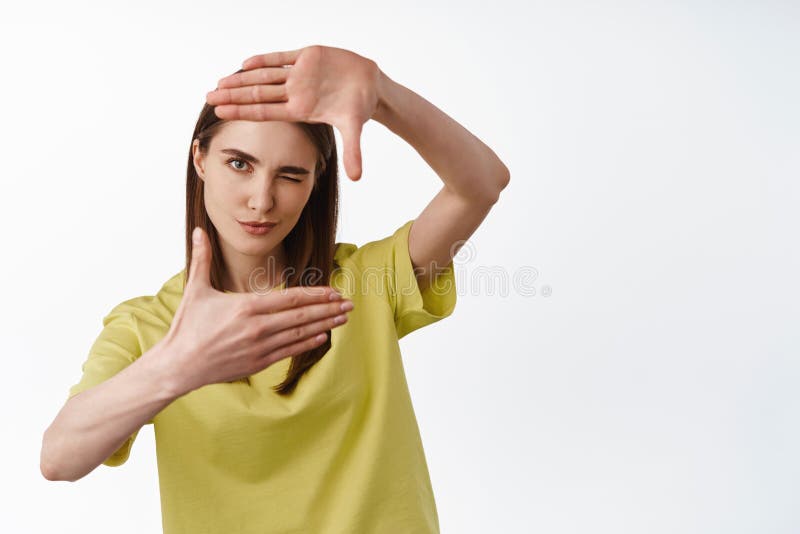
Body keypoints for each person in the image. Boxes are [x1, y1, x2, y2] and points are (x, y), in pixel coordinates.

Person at [40, 44, 510, 534]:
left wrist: (384, 96)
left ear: (315, 182)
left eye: (290, 175)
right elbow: (59, 458)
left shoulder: (364, 283)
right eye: (239, 164)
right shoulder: (149, 327)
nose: (262, 200)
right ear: (200, 159)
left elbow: (481, 183)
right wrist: (177, 366)